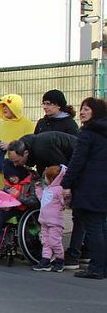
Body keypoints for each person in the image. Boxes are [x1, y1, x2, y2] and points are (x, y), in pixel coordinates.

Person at [61, 97, 107, 279]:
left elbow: (77, 160)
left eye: (87, 109)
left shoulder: (88, 133)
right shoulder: (103, 131)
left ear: (95, 112)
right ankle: (102, 266)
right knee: (102, 226)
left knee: (94, 227)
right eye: (81, 109)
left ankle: (96, 267)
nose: (82, 112)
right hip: (102, 186)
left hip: (90, 186)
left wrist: (66, 184)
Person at [0, 160, 37, 247]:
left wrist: (19, 196)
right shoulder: (8, 183)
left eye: (13, 176)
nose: (11, 179)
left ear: (18, 172)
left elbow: (34, 202)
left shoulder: (31, 183)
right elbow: (5, 195)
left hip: (21, 210)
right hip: (8, 207)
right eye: (9, 177)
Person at [0, 94, 34, 189]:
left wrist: (11, 146)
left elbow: (31, 144)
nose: (4, 109)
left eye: (7, 106)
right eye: (3, 106)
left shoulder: (28, 125)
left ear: (15, 107)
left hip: (15, 170)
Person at [33, 165, 67, 272]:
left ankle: (60, 260)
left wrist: (66, 197)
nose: (45, 179)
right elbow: (42, 198)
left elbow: (64, 202)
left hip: (55, 223)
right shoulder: (48, 189)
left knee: (54, 242)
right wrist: (38, 189)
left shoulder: (59, 190)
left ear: (53, 178)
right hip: (44, 221)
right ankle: (45, 260)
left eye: (46, 177)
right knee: (45, 241)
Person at [6, 131, 76, 177]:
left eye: (17, 161)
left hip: (80, 153)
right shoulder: (30, 145)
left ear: (26, 153)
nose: (15, 165)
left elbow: (62, 168)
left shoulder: (42, 149)